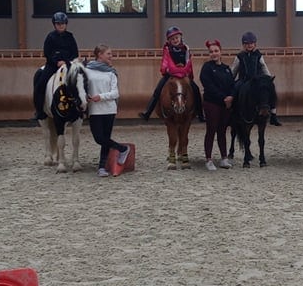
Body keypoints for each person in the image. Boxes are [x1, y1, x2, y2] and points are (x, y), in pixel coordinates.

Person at [138, 26, 203, 122]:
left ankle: (200, 114)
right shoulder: (168, 50)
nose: (175, 40)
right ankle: (147, 112)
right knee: (158, 90)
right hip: (170, 74)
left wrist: (184, 70)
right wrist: (168, 69)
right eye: (172, 39)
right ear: (169, 41)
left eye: (177, 38)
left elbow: (188, 62)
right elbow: (165, 62)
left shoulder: (186, 49)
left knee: (196, 89)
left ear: (180, 38)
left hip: (183, 73)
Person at [84, 43, 131, 177]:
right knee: (99, 138)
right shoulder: (87, 71)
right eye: (109, 54)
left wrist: (101, 97)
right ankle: (123, 149)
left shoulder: (111, 72)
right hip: (94, 109)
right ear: (100, 55)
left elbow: (115, 93)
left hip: (109, 109)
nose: (111, 56)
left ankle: (102, 167)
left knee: (105, 139)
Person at [34, 11, 79, 120]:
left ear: (66, 24)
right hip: (52, 65)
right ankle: (39, 111)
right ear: (54, 24)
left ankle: (79, 108)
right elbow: (47, 52)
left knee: (79, 81)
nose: (61, 25)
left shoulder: (70, 37)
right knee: (40, 84)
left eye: (63, 23)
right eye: (58, 24)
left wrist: (66, 62)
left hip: (68, 64)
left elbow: (75, 53)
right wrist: (56, 62)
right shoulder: (50, 37)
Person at [199, 39, 235, 170]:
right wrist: (223, 97)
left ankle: (224, 158)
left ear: (221, 52)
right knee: (211, 130)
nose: (214, 53)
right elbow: (208, 85)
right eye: (211, 52)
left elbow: (232, 84)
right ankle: (208, 159)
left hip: (225, 104)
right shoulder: (207, 67)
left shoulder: (226, 69)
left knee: (222, 130)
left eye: (216, 51)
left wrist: (231, 96)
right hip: (212, 102)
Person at [231, 31, 281, 126]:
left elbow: (263, 67)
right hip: (243, 80)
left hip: (257, 81)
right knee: (235, 91)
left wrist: (269, 79)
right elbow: (234, 70)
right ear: (243, 45)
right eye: (246, 44)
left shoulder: (258, 56)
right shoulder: (239, 57)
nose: (249, 45)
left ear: (255, 44)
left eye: (251, 43)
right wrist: (230, 80)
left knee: (270, 91)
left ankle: (273, 114)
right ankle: (232, 113)